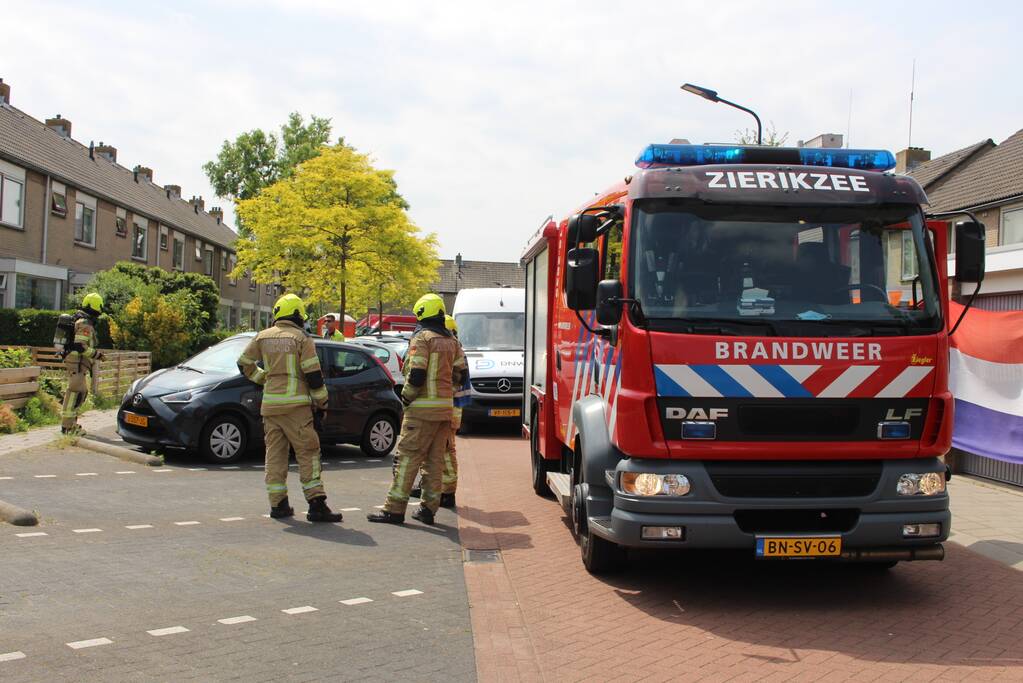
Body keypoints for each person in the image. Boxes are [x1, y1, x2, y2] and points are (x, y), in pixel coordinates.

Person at [237, 293, 343, 523]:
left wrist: (263, 378)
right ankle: (316, 504)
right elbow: (314, 375)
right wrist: (322, 402)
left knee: (275, 455)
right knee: (308, 452)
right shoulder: (301, 339)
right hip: (296, 407)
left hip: (271, 407)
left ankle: (278, 505)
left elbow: (243, 363)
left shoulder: (262, 337)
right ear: (297, 315)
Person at [368, 293, 467, 525]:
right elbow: (460, 374)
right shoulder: (452, 341)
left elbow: (417, 372)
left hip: (421, 411)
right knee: (435, 463)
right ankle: (427, 510)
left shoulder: (423, 338)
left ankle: (394, 509)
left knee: (408, 459)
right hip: (444, 410)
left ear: (423, 313)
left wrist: (406, 397)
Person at [409, 314, 468, 508]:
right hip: (450, 406)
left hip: (450, 407)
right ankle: (439, 488)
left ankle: (447, 491)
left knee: (445, 451)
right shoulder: (454, 347)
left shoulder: (449, 347)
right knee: (441, 451)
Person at [61, 292, 104, 435]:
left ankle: (70, 425)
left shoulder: (78, 320)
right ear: (96, 308)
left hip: (76, 364)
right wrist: (97, 355)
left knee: (81, 393)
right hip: (77, 364)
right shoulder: (84, 323)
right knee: (76, 394)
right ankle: (68, 428)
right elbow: (80, 346)